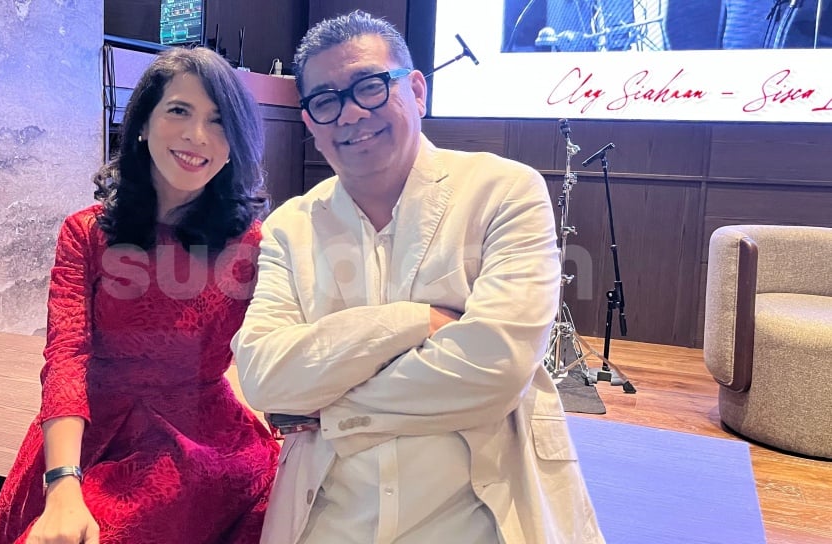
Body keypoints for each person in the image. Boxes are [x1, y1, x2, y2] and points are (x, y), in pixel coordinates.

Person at [231, 10, 605, 544]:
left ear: (416, 91)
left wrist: (331, 407)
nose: (351, 113)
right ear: (309, 122)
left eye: (370, 87)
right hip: (329, 517)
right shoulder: (290, 227)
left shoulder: (503, 192)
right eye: (326, 101)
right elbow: (266, 378)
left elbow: (495, 370)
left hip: (479, 513)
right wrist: (414, 321)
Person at [0, 45, 279, 544]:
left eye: (218, 121)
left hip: (201, 443)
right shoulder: (86, 233)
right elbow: (66, 358)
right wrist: (62, 484)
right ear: (142, 123)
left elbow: (278, 344)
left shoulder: (252, 243)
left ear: (235, 143)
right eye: (179, 111)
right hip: (90, 436)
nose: (197, 135)